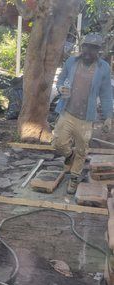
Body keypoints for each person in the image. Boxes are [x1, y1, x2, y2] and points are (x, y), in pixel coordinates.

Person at [53, 33, 113, 194]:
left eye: (92, 48)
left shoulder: (103, 68)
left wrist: (109, 117)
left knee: (82, 149)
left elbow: (107, 94)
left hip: (86, 118)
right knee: (58, 143)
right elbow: (60, 80)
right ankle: (69, 155)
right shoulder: (72, 62)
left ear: (98, 51)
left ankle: (74, 177)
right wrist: (60, 88)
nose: (87, 51)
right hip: (67, 111)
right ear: (82, 47)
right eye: (85, 46)